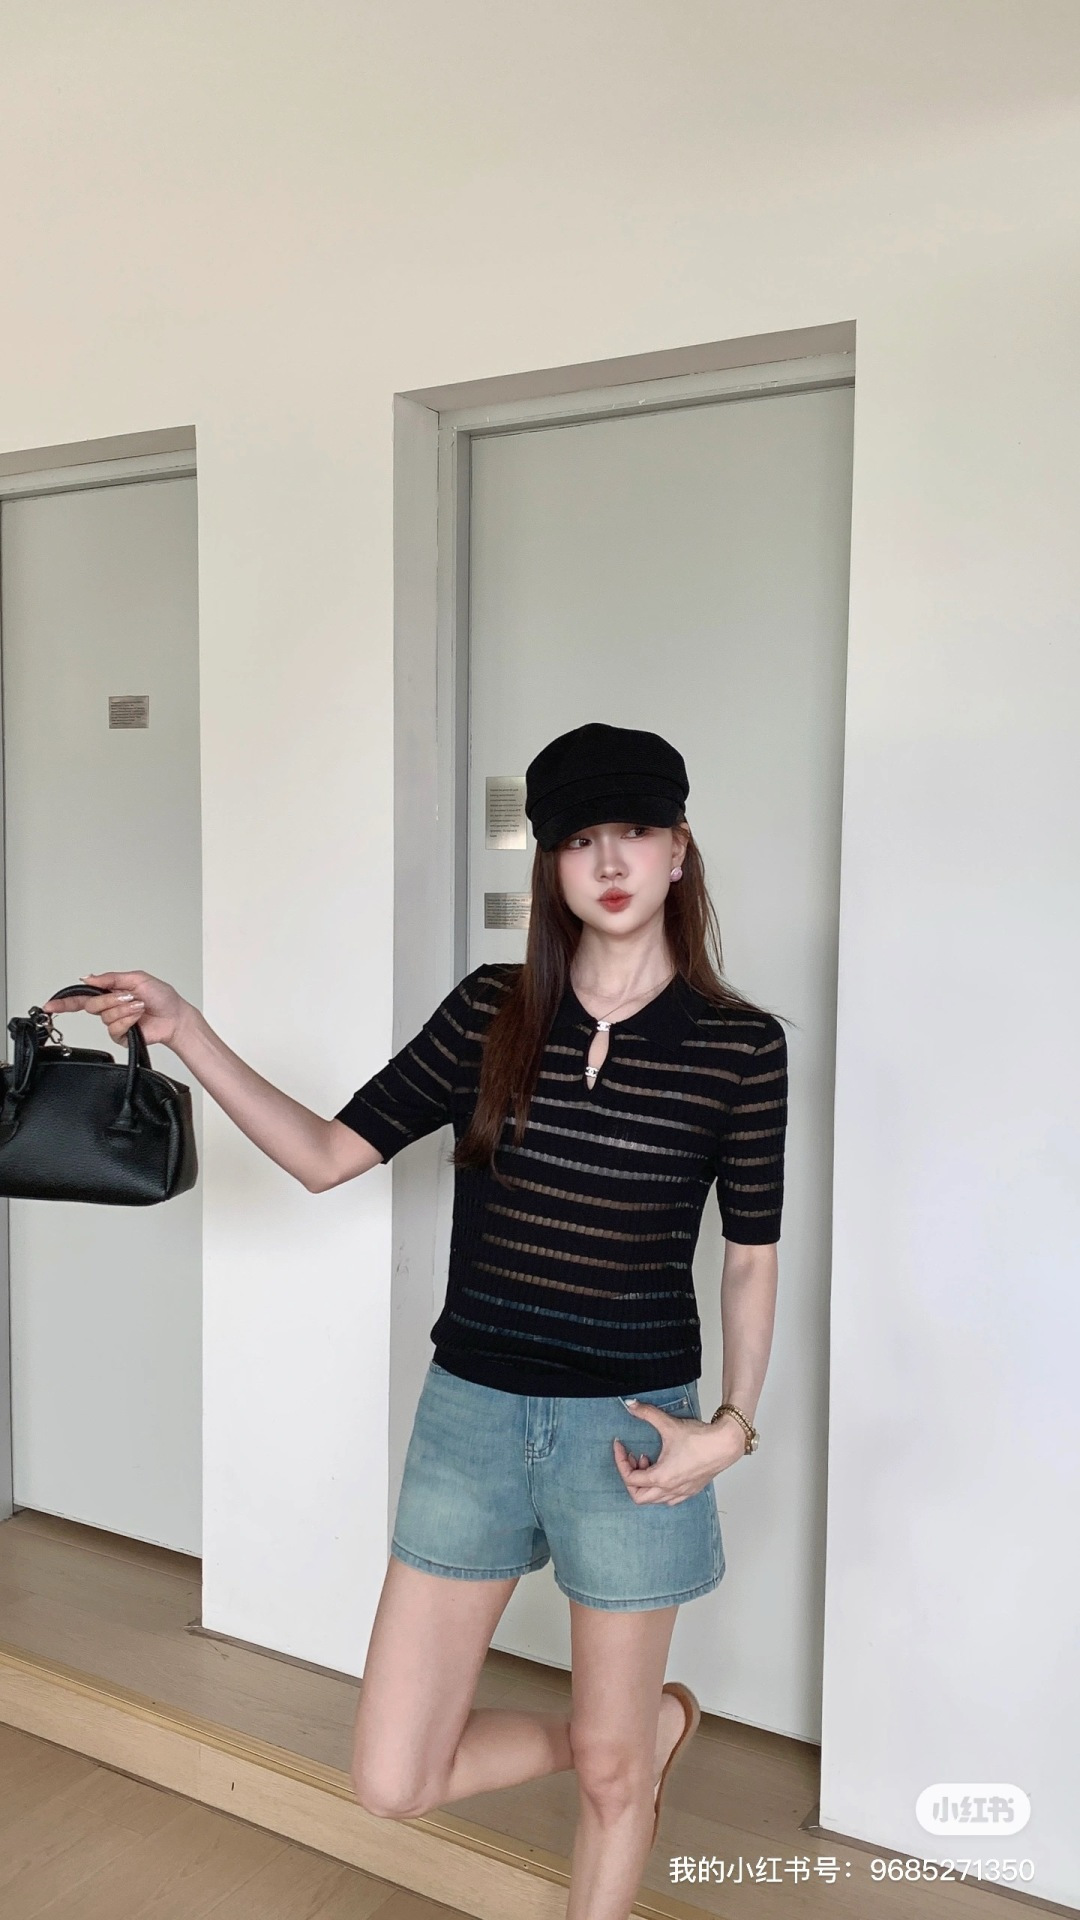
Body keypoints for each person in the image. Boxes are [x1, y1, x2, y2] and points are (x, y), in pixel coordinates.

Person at [42, 720, 788, 1920]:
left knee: (609, 1786)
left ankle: (622, 1757)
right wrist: (184, 1030)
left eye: (635, 832)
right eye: (580, 840)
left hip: (634, 1433)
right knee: (394, 1779)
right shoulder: (492, 1011)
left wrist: (732, 1429)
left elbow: (750, 1259)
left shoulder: (741, 1047)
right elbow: (327, 1154)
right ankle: (638, 1735)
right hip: (471, 1422)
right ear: (551, 864)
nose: (610, 862)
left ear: (679, 848)